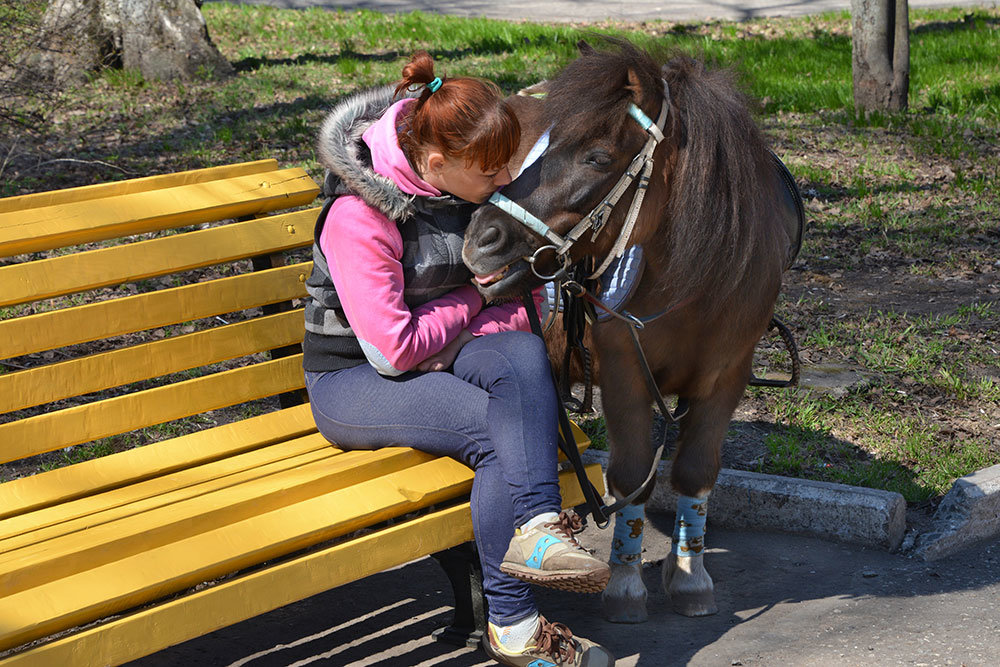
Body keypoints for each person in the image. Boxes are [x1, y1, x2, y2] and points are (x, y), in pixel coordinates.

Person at [303, 51, 615, 667]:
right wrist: (471, 299)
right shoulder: (358, 215)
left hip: (433, 357)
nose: (504, 184)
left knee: (523, 355)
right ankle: (516, 626)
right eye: (491, 173)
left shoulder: (471, 189)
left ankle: (537, 533)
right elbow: (393, 352)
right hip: (352, 381)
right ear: (438, 163)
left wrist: (452, 337)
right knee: (503, 432)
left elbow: (518, 305)